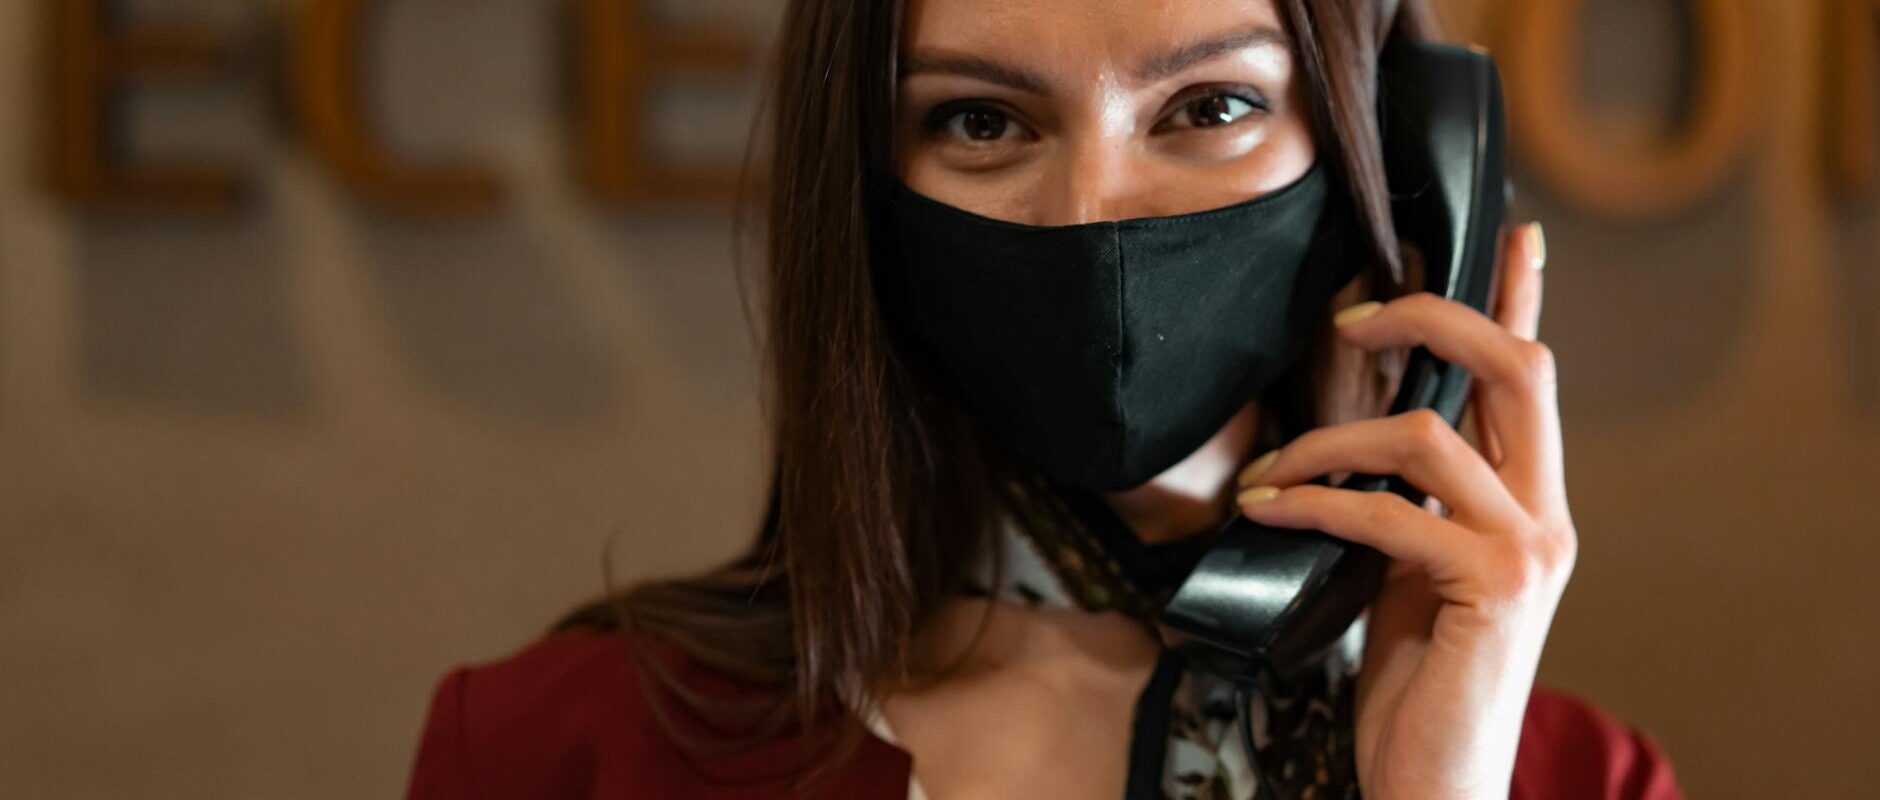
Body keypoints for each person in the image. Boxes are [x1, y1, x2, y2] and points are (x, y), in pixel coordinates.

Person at [406, 0, 1683, 797]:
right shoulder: (555, 749)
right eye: (977, 121)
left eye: (1212, 106)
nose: (1090, 217)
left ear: (1396, 159)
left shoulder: (1580, 782)